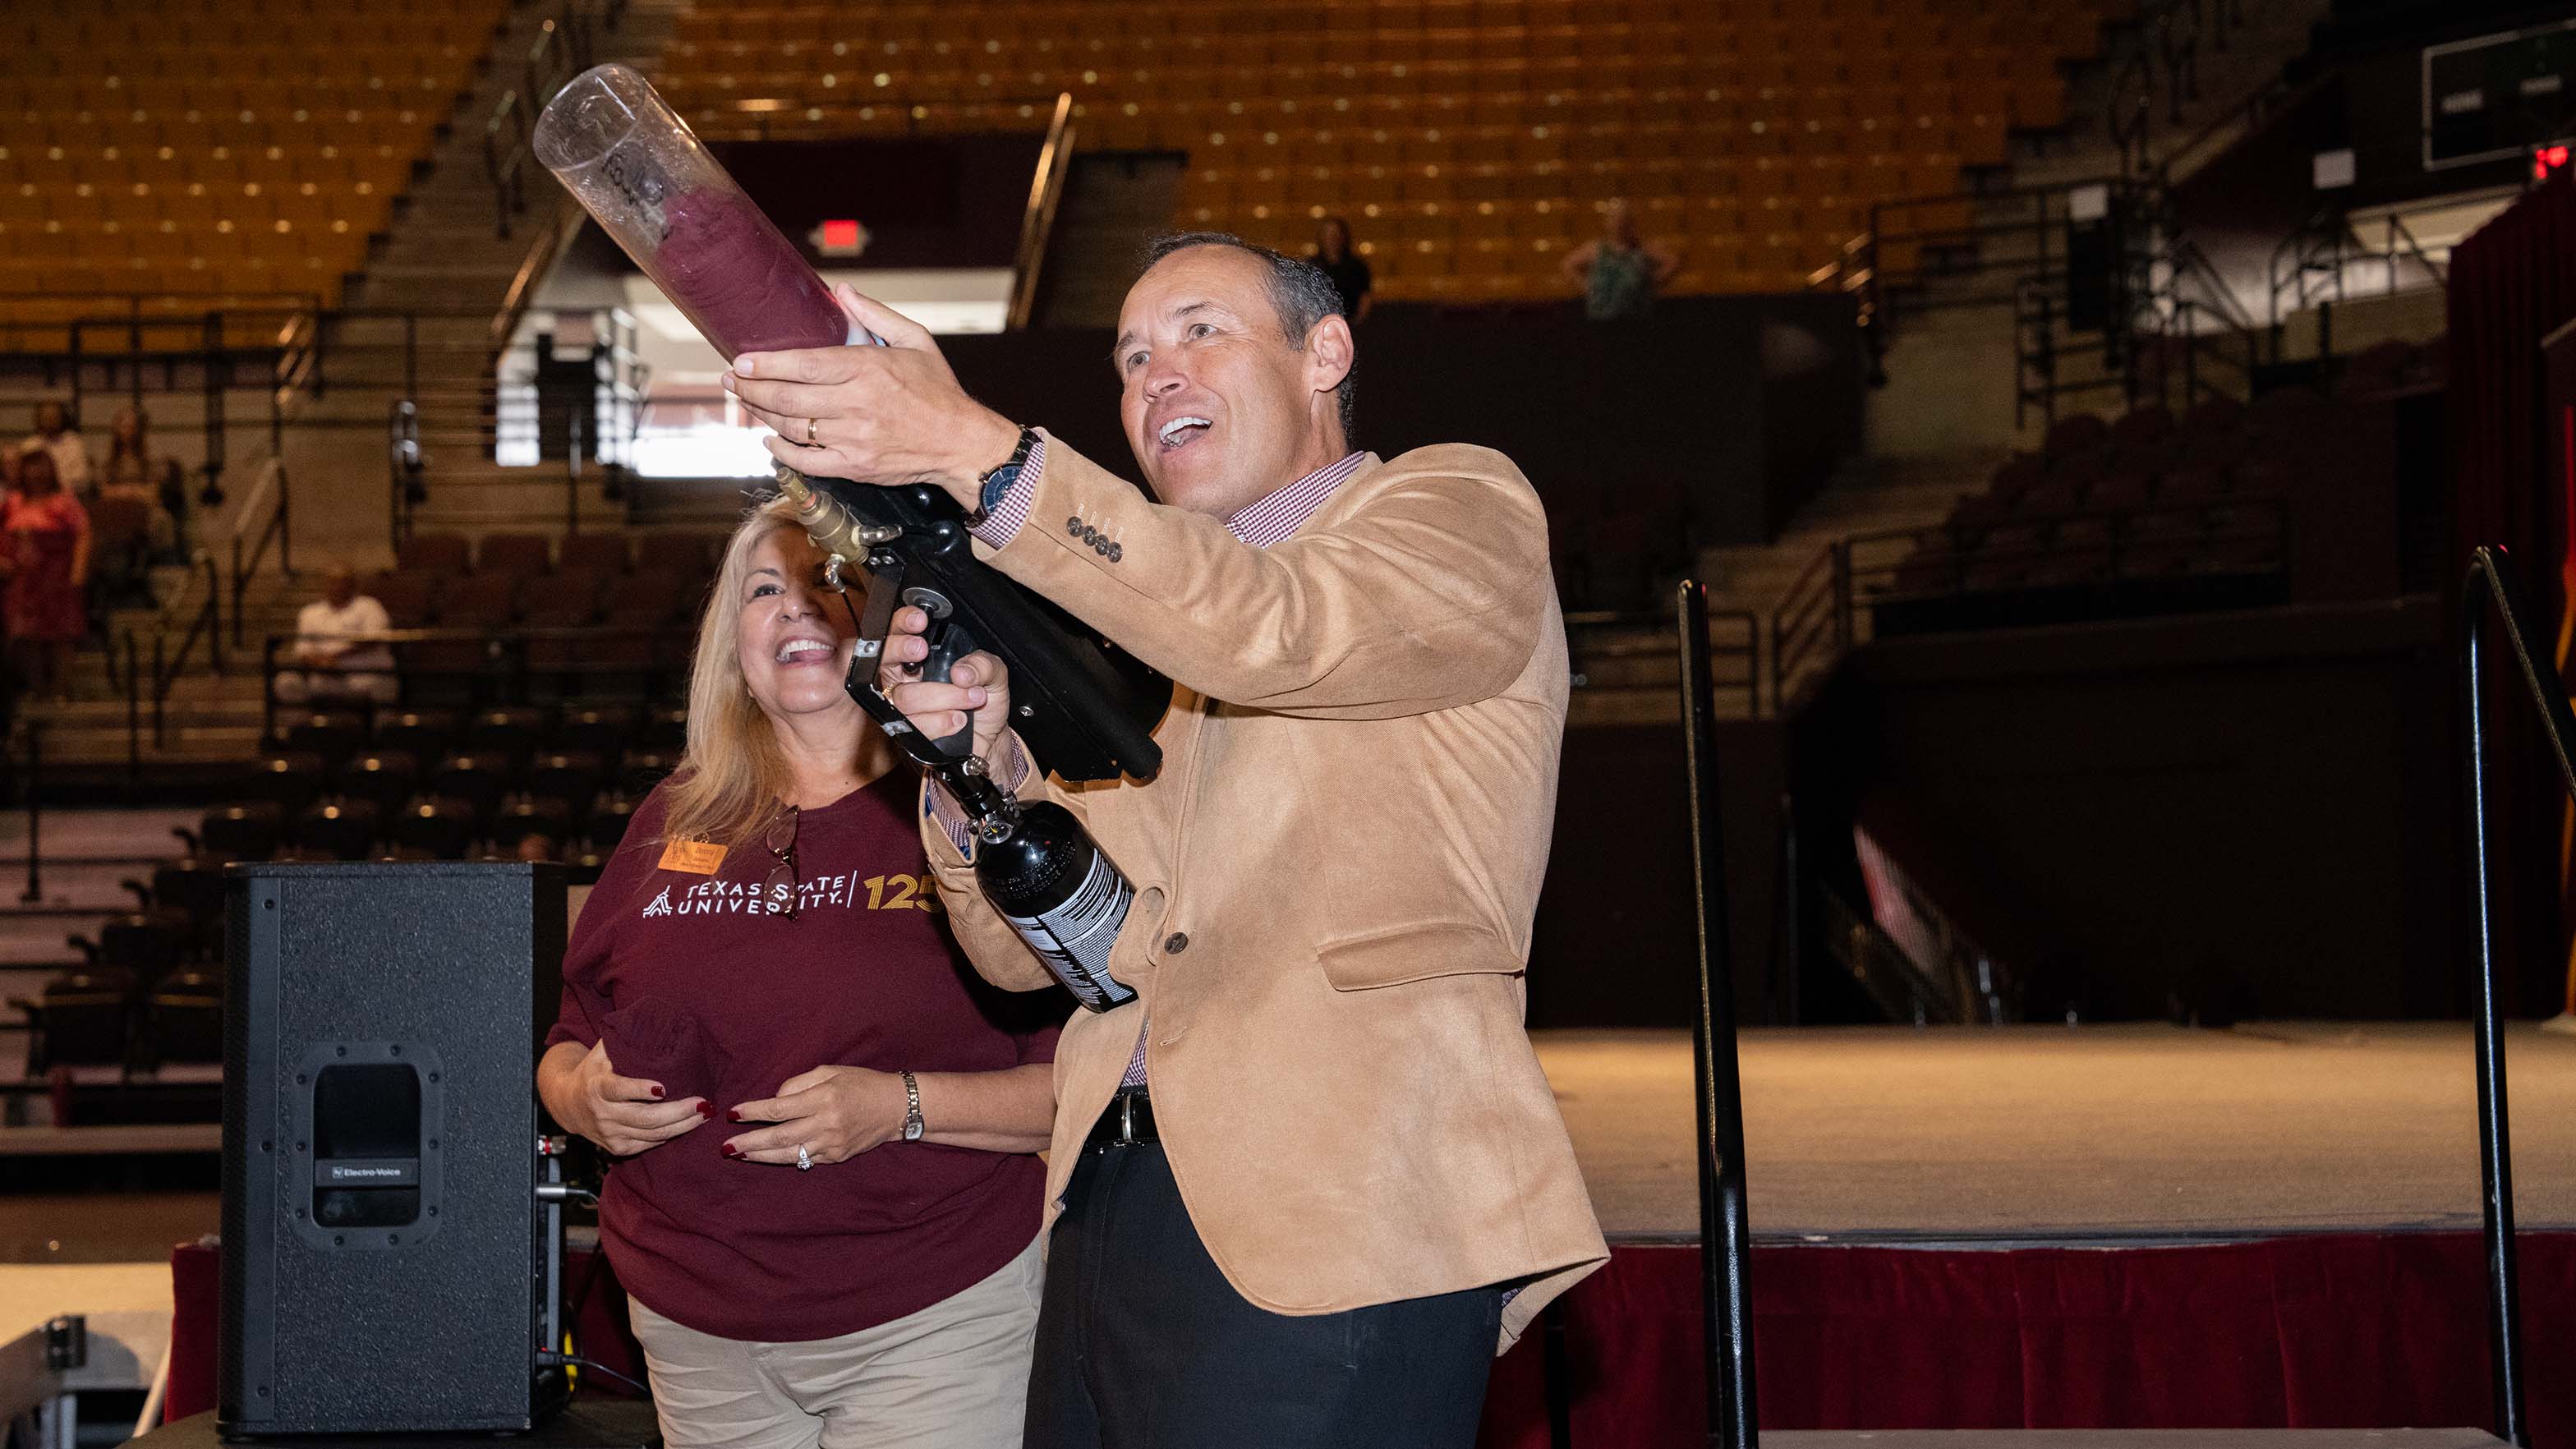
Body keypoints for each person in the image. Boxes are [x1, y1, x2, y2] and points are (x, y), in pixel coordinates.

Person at [722, 246, 1608, 1446]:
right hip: (1112, 1209)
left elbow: (1274, 626)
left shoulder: (1455, 511)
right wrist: (978, 772)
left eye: (1199, 335)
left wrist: (971, 449)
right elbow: (1028, 963)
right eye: (1132, 358)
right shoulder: (1169, 664)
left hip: (1343, 1209)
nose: (1154, 378)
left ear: (1325, 353)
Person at [536, 499, 1060, 1449]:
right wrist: (582, 1098)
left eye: (829, 581)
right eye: (764, 590)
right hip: (694, 1325)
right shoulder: (671, 816)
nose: (795, 609)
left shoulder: (974, 800)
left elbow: (1087, 1089)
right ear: (730, 641)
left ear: (897, 618)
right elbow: (568, 1039)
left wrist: (900, 1105)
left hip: (930, 1313)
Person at [0, 449, 90, 701]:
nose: (36, 473)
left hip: (56, 577)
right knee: (25, 635)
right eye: (30, 467)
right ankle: (35, 689)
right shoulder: (13, 502)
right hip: (21, 580)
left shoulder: (64, 501)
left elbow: (83, 534)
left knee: (60, 634)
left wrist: (78, 572)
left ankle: (61, 689)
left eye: (41, 467)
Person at [273, 564, 398, 708]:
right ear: (325, 585)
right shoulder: (310, 613)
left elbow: (373, 640)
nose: (338, 587)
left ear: (353, 585)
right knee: (286, 682)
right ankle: (304, 729)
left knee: (384, 684)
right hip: (324, 677)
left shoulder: (369, 606)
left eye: (343, 582)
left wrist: (335, 657)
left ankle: (380, 730)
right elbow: (303, 651)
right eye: (333, 582)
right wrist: (322, 664)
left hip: (365, 675)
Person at [1562, 198, 1677, 320]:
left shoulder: (1642, 248)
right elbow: (1567, 265)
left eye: (1623, 220)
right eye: (1614, 219)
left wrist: (1651, 282)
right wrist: (1587, 286)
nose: (1619, 224)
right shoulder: (1595, 249)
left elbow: (1672, 261)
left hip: (1636, 317)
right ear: (1606, 223)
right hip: (1603, 317)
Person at [98, 407, 182, 559]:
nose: (128, 431)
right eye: (123, 426)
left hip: (144, 509)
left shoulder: (150, 459)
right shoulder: (109, 461)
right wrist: (122, 492)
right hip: (117, 510)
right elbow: (104, 492)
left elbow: (153, 493)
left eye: (132, 426)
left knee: (160, 521)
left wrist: (132, 492)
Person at [18, 402, 92, 496]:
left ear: (62, 418)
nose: (50, 420)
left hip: (69, 498)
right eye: (47, 416)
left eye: (54, 416)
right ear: (38, 418)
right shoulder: (29, 445)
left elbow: (81, 479)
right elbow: (23, 479)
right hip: (36, 500)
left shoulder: (74, 443)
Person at [1310, 214, 1373, 323]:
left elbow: (1365, 298)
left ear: (1344, 237)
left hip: (1351, 325)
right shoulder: (1312, 266)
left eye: (1335, 234)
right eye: (1328, 234)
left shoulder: (1358, 266)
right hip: (1319, 325)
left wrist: (1357, 323)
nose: (1332, 238)